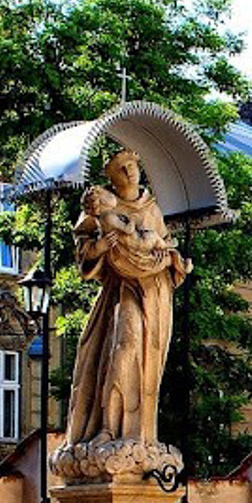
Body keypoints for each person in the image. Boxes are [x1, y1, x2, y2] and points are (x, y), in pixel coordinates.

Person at [62, 148, 191, 456]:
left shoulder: (152, 207)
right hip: (120, 291)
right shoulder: (100, 206)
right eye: (120, 168)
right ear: (110, 176)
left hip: (153, 289)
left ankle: (138, 435)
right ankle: (107, 429)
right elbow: (83, 252)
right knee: (120, 350)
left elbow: (165, 245)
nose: (129, 172)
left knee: (142, 358)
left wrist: (167, 257)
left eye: (132, 164)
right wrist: (99, 246)